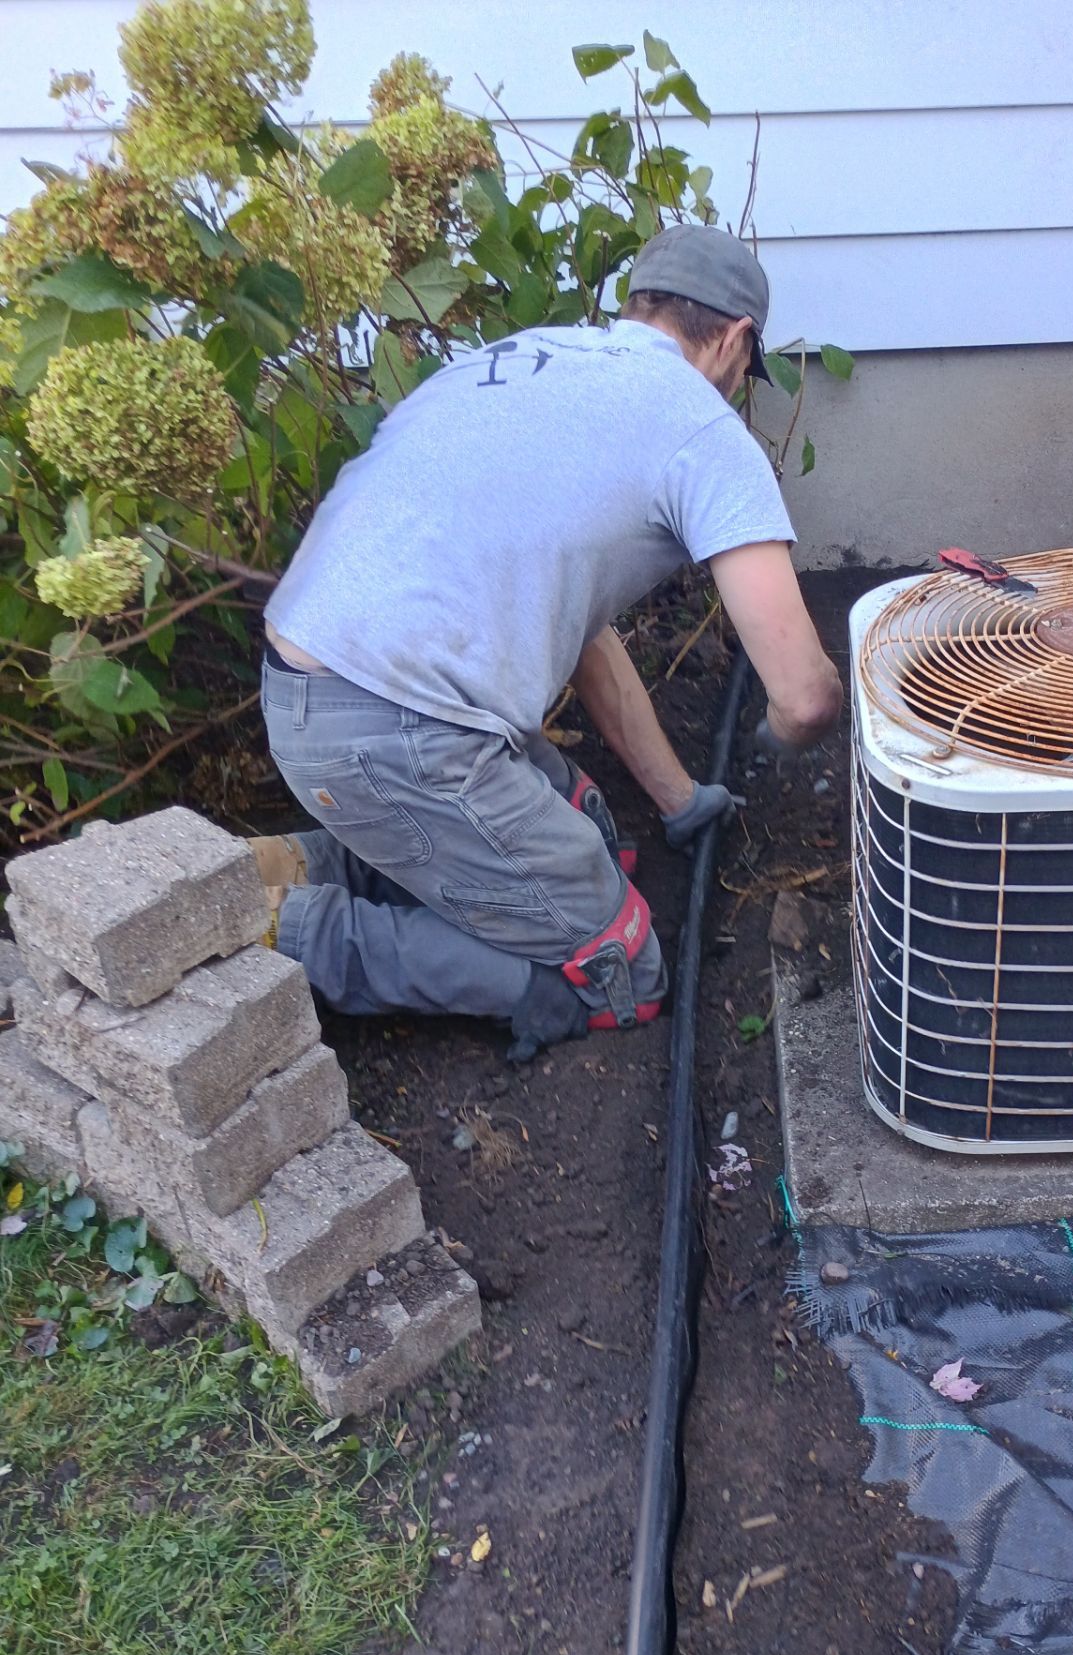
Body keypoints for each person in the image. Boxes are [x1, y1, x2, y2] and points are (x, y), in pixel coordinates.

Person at [254, 224, 842, 1060]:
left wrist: (681, 800)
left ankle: (302, 863)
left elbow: (581, 629)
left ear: (638, 308)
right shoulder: (700, 431)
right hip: (404, 733)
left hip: (305, 694)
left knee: (593, 830)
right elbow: (807, 695)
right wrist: (772, 745)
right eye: (750, 363)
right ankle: (284, 929)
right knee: (618, 974)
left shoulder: (519, 361)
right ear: (739, 339)